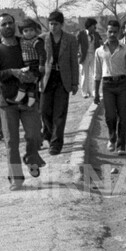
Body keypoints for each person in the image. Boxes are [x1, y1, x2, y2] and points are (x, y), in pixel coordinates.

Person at [0, 13, 45, 185]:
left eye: (10, 23)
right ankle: (16, 178)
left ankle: (31, 157)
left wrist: (34, 77)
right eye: (4, 24)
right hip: (7, 102)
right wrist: (11, 72)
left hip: (28, 100)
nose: (8, 27)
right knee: (11, 142)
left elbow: (40, 62)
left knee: (34, 136)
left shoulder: (26, 43)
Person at [93, 19, 126, 153]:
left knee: (123, 115)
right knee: (110, 115)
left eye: (115, 32)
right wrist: (96, 93)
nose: (112, 34)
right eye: (110, 31)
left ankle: (121, 145)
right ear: (106, 32)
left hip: (123, 84)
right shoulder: (99, 51)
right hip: (107, 85)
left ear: (119, 33)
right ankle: (112, 137)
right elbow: (97, 73)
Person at [40, 10, 79, 155]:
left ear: (61, 24)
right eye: (51, 24)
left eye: (56, 24)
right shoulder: (42, 39)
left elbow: (73, 62)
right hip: (47, 79)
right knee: (44, 111)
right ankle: (49, 135)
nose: (53, 27)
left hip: (63, 79)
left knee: (60, 113)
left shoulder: (70, 39)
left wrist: (75, 83)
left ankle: (56, 144)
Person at [79, 18, 100, 100]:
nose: (95, 27)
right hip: (84, 56)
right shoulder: (81, 34)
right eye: (94, 25)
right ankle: (85, 92)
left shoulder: (96, 34)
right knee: (84, 74)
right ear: (90, 26)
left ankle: (94, 91)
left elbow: (100, 43)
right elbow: (76, 44)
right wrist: (78, 52)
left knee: (95, 74)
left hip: (94, 55)